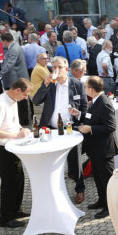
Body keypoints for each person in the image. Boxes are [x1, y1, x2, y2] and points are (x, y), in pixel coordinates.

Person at [34, 56, 88, 204]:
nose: (56, 70)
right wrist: (44, 85)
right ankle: (52, 190)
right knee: (51, 160)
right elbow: (36, 100)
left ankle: (80, 189)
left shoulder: (77, 85)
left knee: (75, 160)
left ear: (66, 69)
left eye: (59, 67)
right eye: (53, 67)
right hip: (51, 129)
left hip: (70, 128)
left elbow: (84, 107)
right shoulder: (50, 85)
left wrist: (78, 116)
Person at [0, 78, 31, 228]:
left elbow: (14, 122)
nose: (26, 98)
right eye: (25, 95)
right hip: (0, 150)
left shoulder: (12, 101)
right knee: (9, 184)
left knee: (19, 180)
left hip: (11, 147)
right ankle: (5, 218)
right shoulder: (0, 105)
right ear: (17, 90)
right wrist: (15, 136)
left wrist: (20, 129)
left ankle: (16, 210)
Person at [73, 76, 117, 219]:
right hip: (95, 148)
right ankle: (101, 200)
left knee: (106, 180)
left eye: (86, 87)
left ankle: (109, 207)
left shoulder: (104, 103)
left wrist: (90, 129)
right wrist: (79, 114)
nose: (85, 89)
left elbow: (110, 126)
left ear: (91, 89)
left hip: (104, 149)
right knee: (98, 177)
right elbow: (93, 116)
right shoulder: (96, 101)